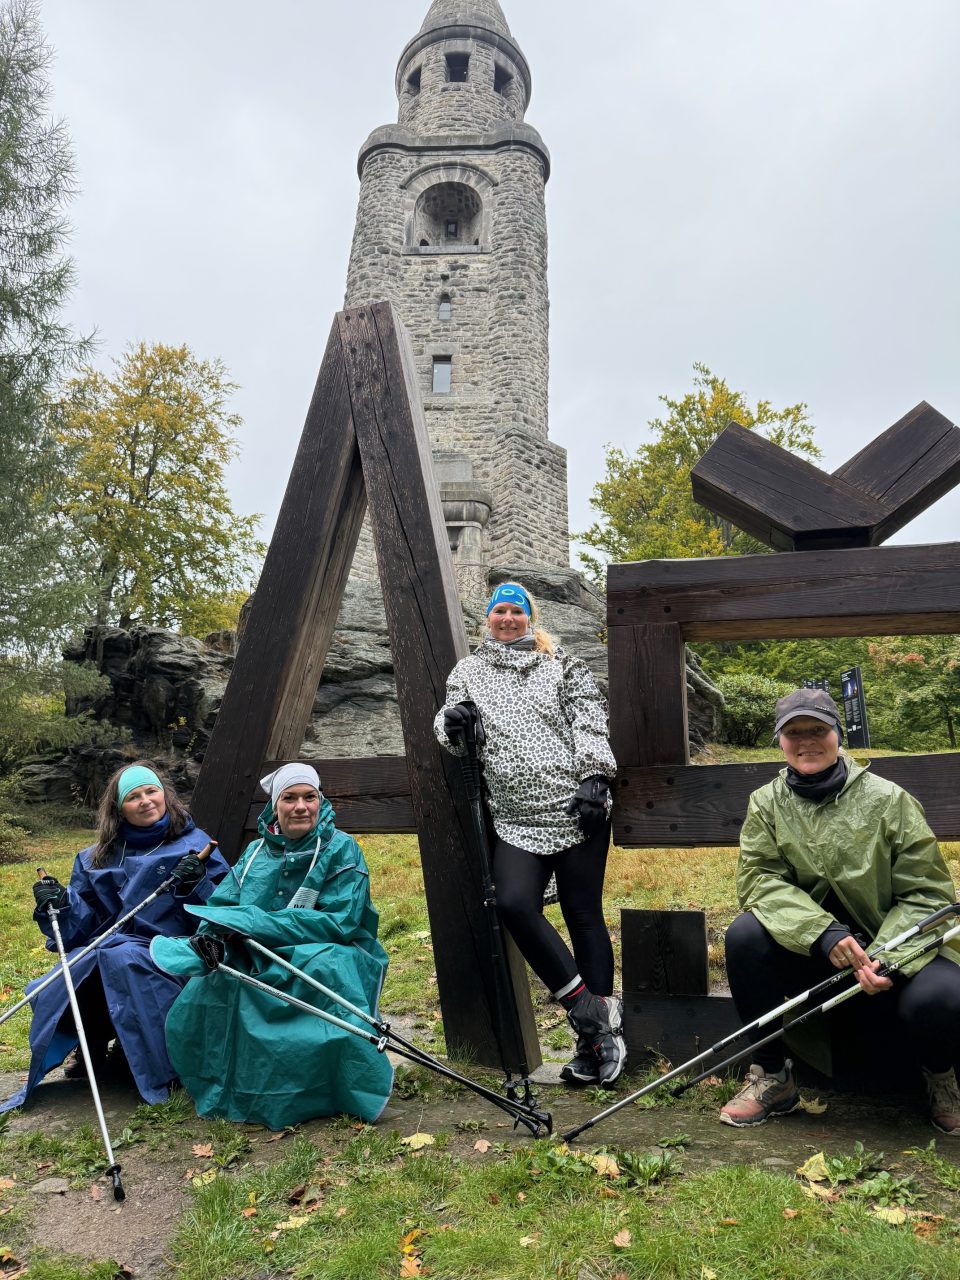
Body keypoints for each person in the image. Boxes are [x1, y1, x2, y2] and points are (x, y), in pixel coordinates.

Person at [719, 687, 960, 1133]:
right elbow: (759, 880)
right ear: (780, 741)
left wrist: (889, 956)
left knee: (944, 996)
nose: (806, 741)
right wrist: (821, 933)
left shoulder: (889, 800)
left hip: (896, 953)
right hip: (814, 956)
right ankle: (772, 1076)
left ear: (838, 734)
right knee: (744, 936)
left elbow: (928, 893)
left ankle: (941, 1075)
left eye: (817, 729)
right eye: (794, 732)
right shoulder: (766, 804)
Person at [434, 581, 624, 1085]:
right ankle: (592, 1014)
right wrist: (452, 722)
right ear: (488, 619)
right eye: (499, 610)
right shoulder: (468, 671)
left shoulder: (561, 663)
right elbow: (448, 729)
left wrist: (595, 777)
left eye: (516, 611)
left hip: (575, 807)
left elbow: (589, 718)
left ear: (529, 618)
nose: (507, 618)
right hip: (515, 817)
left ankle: (593, 1045)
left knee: (584, 915)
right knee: (515, 903)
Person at [151, 763, 394, 1129]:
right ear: (274, 806)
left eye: (309, 797)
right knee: (211, 983)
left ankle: (330, 1089)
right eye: (290, 798)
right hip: (256, 948)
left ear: (320, 801)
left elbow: (340, 921)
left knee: (325, 966)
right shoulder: (255, 853)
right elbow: (224, 904)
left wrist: (258, 924)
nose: (301, 807)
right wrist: (210, 935)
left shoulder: (342, 848)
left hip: (328, 947)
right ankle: (234, 1089)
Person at [1, 762, 227, 1114]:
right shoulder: (95, 858)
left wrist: (195, 884)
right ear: (119, 808)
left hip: (170, 951)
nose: (146, 801)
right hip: (107, 948)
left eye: (151, 791)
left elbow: (222, 914)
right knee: (62, 978)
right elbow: (83, 926)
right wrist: (60, 904)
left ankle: (159, 1064)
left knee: (122, 960)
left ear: (165, 796)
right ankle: (91, 1044)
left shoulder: (196, 847)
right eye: (134, 796)